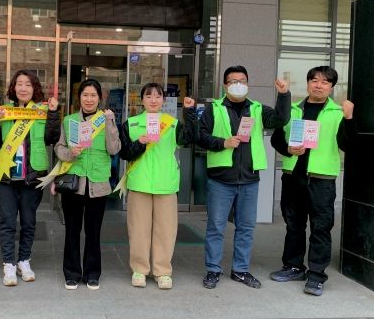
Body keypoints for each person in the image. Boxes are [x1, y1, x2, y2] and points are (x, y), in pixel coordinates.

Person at [198, 65, 290, 290]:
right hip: (221, 179)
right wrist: (223, 143)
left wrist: (283, 95)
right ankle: (213, 269)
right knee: (216, 227)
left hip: (249, 179)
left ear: (248, 84)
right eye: (233, 81)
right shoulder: (214, 108)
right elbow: (200, 136)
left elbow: (280, 119)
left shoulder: (257, 109)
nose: (238, 85)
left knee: (246, 228)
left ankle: (240, 270)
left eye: (242, 81)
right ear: (225, 85)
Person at [269, 66, 354, 296]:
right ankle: (293, 267)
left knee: (321, 228)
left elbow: (348, 145)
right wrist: (288, 150)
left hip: (321, 180)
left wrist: (349, 118)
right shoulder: (292, 110)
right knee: (293, 226)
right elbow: (276, 139)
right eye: (314, 80)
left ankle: (316, 276)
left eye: (325, 82)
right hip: (293, 176)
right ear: (307, 84)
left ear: (331, 87)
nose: (318, 85)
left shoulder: (338, 112)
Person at [119, 82, 197, 290]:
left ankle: (162, 271)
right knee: (138, 230)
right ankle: (139, 269)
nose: (153, 100)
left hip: (166, 184)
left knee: (166, 230)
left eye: (157, 96)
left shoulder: (172, 124)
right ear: (142, 100)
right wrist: (140, 143)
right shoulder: (131, 123)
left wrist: (189, 112)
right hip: (139, 183)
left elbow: (189, 139)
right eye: (148, 96)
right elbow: (124, 153)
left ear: (163, 100)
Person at [0, 69, 60, 286]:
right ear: (13, 87)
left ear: (34, 88)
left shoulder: (41, 111)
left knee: (29, 222)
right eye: (19, 83)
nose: (23, 88)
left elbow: (51, 138)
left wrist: (53, 113)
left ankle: (24, 261)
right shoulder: (4, 111)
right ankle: (8, 264)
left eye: (28, 84)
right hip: (6, 177)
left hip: (32, 176)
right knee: (7, 222)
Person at [54, 79, 121, 290]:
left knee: (94, 232)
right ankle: (72, 273)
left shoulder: (106, 119)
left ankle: (92, 273)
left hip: (98, 184)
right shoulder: (69, 121)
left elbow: (114, 149)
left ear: (99, 98)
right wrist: (69, 153)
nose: (89, 99)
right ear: (79, 98)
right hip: (74, 184)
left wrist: (110, 122)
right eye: (85, 95)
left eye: (93, 95)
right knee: (72, 231)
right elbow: (58, 147)